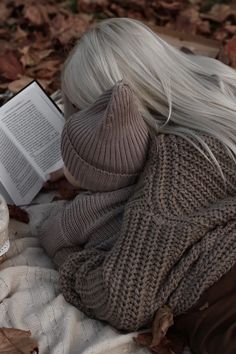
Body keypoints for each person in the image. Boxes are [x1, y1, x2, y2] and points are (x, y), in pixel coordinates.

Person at [39, 17, 236, 354]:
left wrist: (66, 254)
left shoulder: (177, 164)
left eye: (84, 113)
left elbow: (122, 299)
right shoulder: (219, 84)